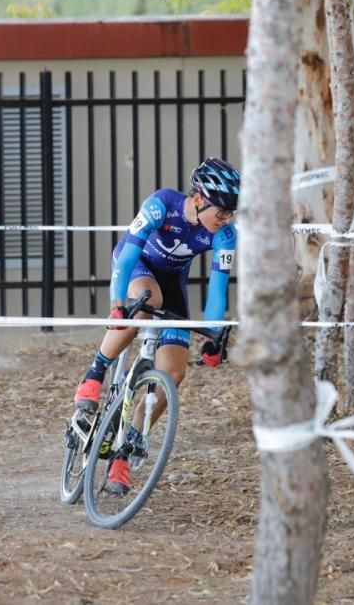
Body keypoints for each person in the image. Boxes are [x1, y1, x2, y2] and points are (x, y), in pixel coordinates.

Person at [72, 157, 239, 495]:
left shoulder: (225, 235)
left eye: (232, 213)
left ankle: (127, 446)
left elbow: (218, 288)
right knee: (148, 304)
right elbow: (130, 252)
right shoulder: (162, 204)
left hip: (173, 285)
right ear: (198, 199)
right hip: (137, 269)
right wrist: (117, 302)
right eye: (221, 211)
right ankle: (94, 374)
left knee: (174, 373)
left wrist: (212, 332)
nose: (226, 219)